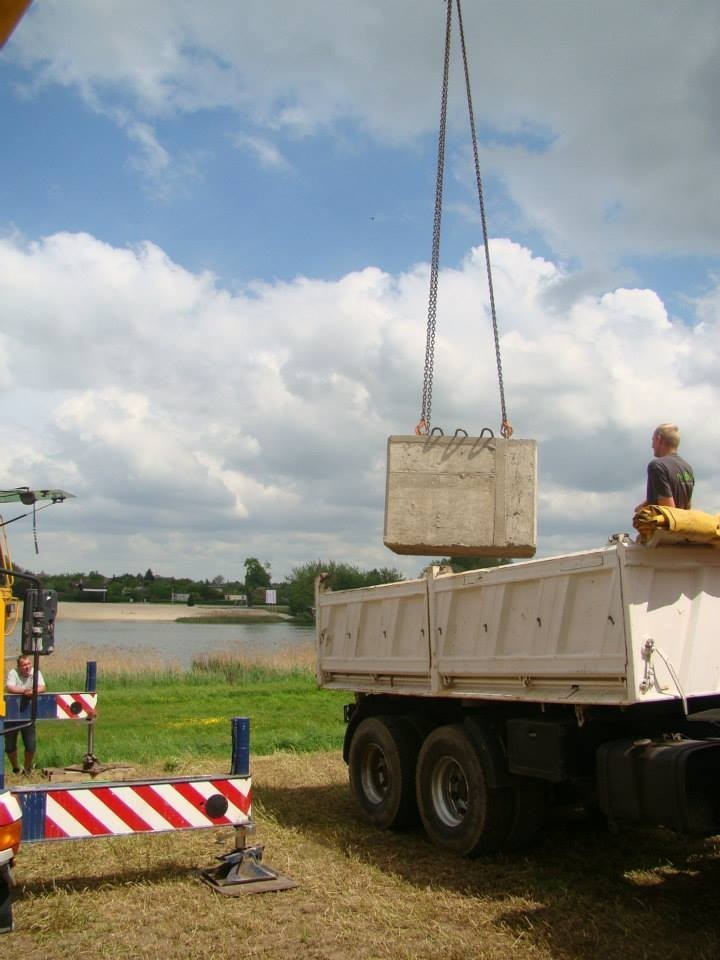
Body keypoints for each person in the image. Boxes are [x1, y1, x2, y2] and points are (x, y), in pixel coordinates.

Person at [635, 423, 695, 512]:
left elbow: (669, 511)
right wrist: (643, 506)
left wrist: (642, 512)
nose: (652, 446)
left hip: (668, 525)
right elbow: (686, 504)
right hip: (685, 525)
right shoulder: (687, 468)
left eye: (653, 440)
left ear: (659, 439)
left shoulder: (657, 466)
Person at [4, 655, 45, 775]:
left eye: (28, 664)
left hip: (28, 714)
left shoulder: (35, 672)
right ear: (18, 666)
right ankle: (15, 767)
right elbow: (10, 687)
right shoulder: (13, 673)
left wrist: (33, 691)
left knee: (30, 744)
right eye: (24, 665)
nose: (27, 667)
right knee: (10, 744)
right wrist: (25, 691)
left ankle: (27, 769)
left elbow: (42, 686)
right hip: (11, 714)